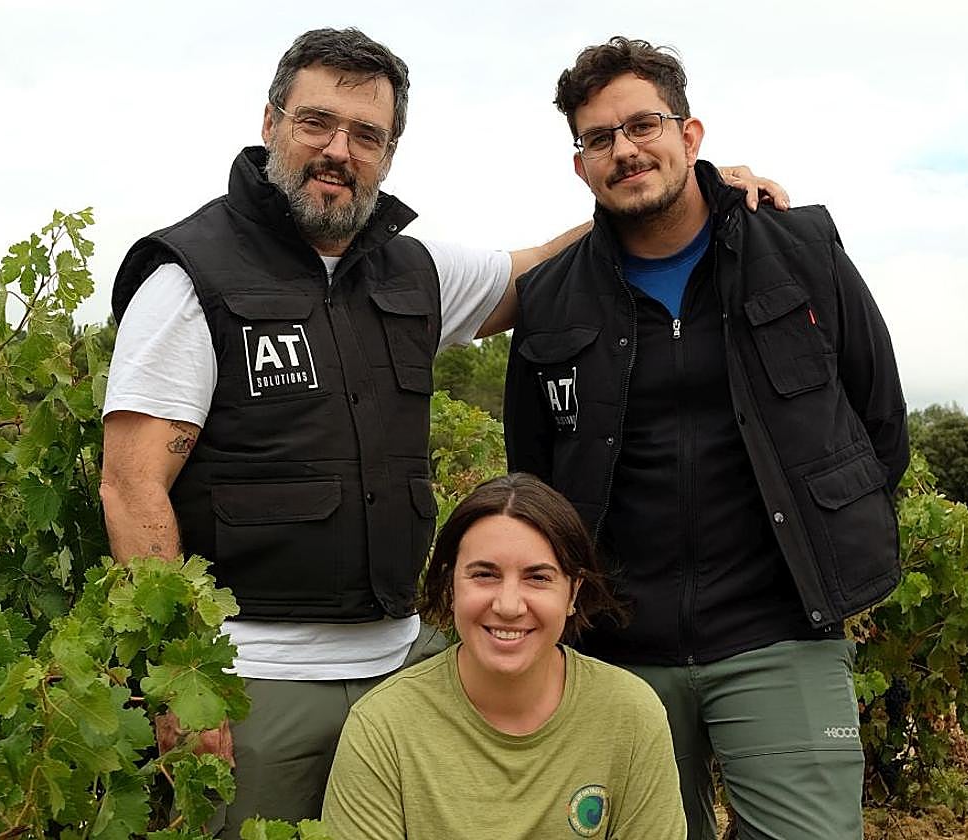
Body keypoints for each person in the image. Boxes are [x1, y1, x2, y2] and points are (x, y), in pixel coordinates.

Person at [99, 27, 783, 835]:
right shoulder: (190, 277)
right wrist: (182, 679)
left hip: (406, 670)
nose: (339, 151)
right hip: (255, 682)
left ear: (390, 152)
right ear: (271, 121)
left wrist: (693, 193)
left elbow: (537, 269)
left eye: (367, 135)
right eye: (317, 123)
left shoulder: (413, 272)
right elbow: (131, 485)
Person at [504, 37, 909, 840]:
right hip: (617, 653)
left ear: (689, 136)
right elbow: (536, 475)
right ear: (581, 165)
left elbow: (881, 423)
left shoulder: (801, 249)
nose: (625, 149)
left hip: (780, 632)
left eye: (643, 125)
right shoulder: (549, 299)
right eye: (599, 138)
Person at [322, 473, 685, 840]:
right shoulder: (383, 727)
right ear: (450, 586)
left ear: (573, 592)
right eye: (485, 574)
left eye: (538, 578)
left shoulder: (630, 714)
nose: (509, 606)